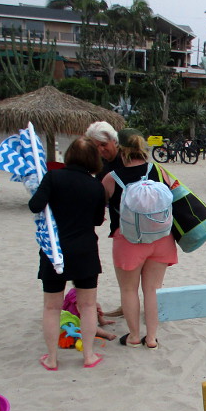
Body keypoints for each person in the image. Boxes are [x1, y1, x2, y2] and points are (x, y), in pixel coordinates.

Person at [29, 136, 107, 369]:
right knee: (88, 306)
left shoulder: (53, 177)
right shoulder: (96, 185)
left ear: (69, 155)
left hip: (55, 249)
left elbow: (35, 205)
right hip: (85, 249)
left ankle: (52, 358)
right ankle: (88, 355)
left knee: (52, 307)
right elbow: (97, 220)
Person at [102, 129, 177, 349]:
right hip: (161, 239)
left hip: (128, 241)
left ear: (121, 149)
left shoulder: (112, 178)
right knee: (152, 290)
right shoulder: (158, 170)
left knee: (128, 290)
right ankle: (151, 338)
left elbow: (99, 208)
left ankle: (134, 336)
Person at [85, 121, 125, 318]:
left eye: (103, 144)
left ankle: (129, 306)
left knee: (132, 271)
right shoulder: (102, 165)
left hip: (139, 222)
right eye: (96, 146)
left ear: (113, 141)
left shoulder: (127, 158)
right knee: (125, 270)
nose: (101, 150)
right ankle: (127, 305)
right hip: (120, 224)